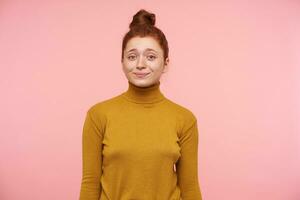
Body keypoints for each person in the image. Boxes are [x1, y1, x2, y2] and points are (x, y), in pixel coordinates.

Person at [79, 9, 203, 200]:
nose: (140, 64)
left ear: (166, 63)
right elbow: (90, 184)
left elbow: (190, 187)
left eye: (151, 56)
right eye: (132, 56)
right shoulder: (98, 115)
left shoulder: (185, 119)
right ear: (122, 62)